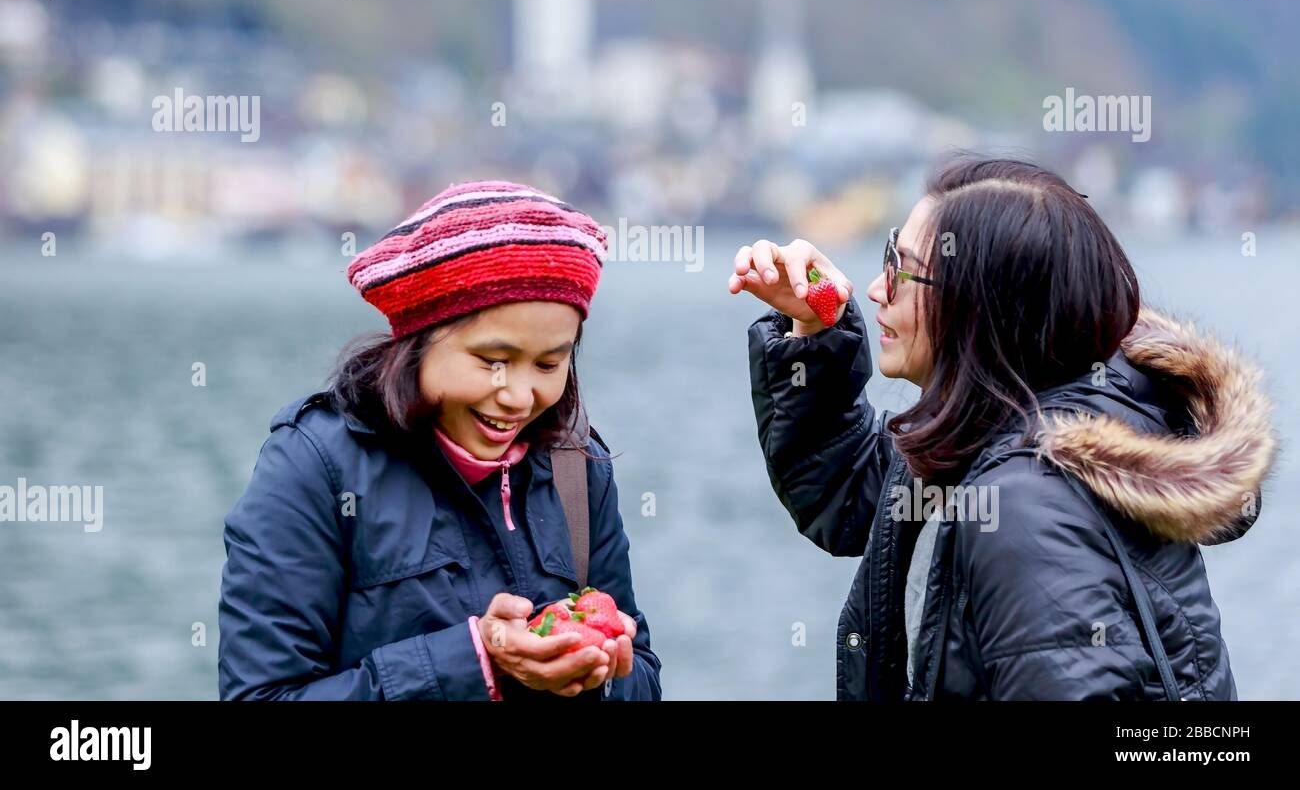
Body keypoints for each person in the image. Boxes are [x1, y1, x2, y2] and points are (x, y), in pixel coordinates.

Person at [731, 156, 1274, 700]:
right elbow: (854, 498)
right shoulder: (1007, 433)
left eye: (900, 265)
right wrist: (813, 332)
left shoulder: (1023, 503)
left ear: (978, 302)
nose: (876, 288)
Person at [219, 180, 661, 700]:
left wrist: (594, 673)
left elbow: (644, 675)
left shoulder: (577, 467)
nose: (519, 396)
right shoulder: (314, 467)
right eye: (492, 361)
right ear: (419, 341)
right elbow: (260, 695)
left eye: (549, 363)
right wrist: (478, 661)